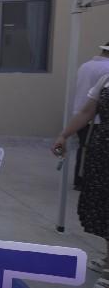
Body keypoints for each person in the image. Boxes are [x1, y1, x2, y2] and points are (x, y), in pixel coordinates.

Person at [52, 73, 109, 284]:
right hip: (102, 150)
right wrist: (64, 134)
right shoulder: (106, 79)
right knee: (103, 205)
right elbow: (87, 112)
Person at [71, 42, 109, 190]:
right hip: (97, 118)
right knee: (94, 152)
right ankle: (86, 180)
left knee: (83, 147)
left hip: (79, 114)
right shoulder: (106, 69)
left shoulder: (85, 66)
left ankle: (79, 179)